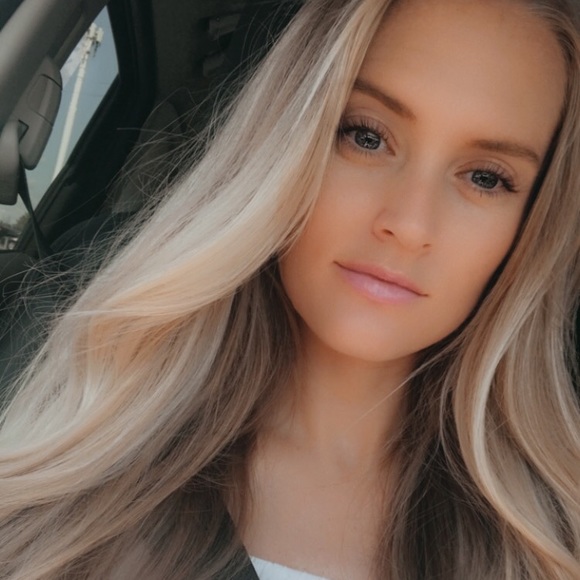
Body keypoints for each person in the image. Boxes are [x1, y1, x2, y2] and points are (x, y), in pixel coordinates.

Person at [0, 0, 579, 578]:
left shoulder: (549, 541)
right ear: (283, 145)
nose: (409, 224)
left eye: (486, 178)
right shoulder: (76, 449)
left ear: (532, 228)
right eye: (366, 136)